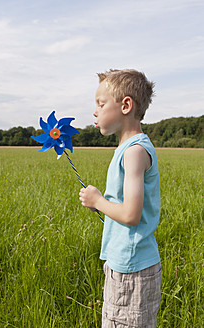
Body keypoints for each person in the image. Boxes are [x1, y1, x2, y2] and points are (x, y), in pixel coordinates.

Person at [79, 69, 162, 328]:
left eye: (101, 104)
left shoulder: (134, 151)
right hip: (125, 264)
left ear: (126, 105)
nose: (95, 111)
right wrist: (103, 205)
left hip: (132, 269)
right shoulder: (128, 149)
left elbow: (130, 215)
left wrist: (97, 201)